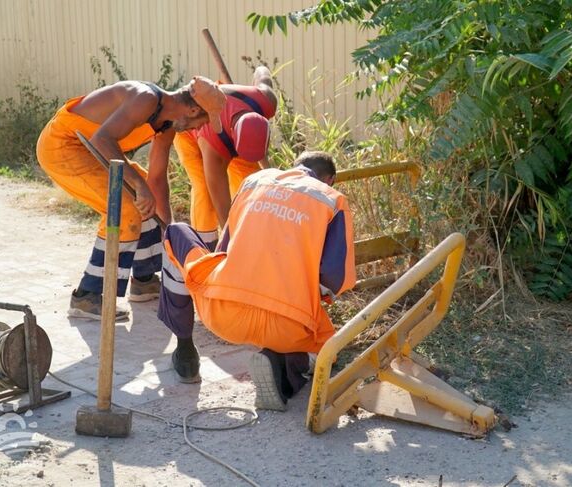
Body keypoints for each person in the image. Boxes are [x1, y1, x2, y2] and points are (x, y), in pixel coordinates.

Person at [158, 151, 356, 411]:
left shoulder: (254, 181)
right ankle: (281, 364)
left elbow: (224, 249)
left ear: (293, 166)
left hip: (222, 314)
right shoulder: (332, 199)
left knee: (175, 233)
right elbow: (335, 278)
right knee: (325, 351)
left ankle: (185, 352)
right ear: (329, 180)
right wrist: (307, 296)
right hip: (288, 326)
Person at [36, 77, 225, 321]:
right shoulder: (145, 99)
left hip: (91, 149)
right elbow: (102, 139)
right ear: (193, 110)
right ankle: (87, 295)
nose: (199, 128)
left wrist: (168, 234)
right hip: (64, 146)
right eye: (203, 121)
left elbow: (156, 180)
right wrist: (138, 185)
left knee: (144, 196)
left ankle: (144, 280)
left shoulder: (166, 124)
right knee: (125, 207)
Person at [172, 65, 277, 249]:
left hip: (227, 112)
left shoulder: (266, 100)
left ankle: (253, 236)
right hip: (190, 126)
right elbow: (223, 208)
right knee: (204, 189)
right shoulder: (214, 145)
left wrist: (260, 69)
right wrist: (229, 247)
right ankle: (206, 247)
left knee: (250, 187)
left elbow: (263, 74)